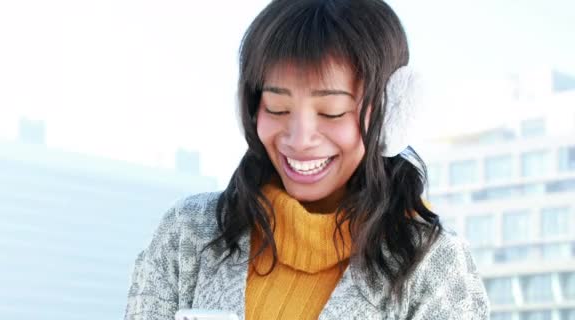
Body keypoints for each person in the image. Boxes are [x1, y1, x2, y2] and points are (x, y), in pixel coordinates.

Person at [124, 0, 490, 319]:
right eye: (277, 107)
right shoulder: (189, 234)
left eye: (331, 112)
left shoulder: (432, 267)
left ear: (390, 113)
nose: (299, 140)